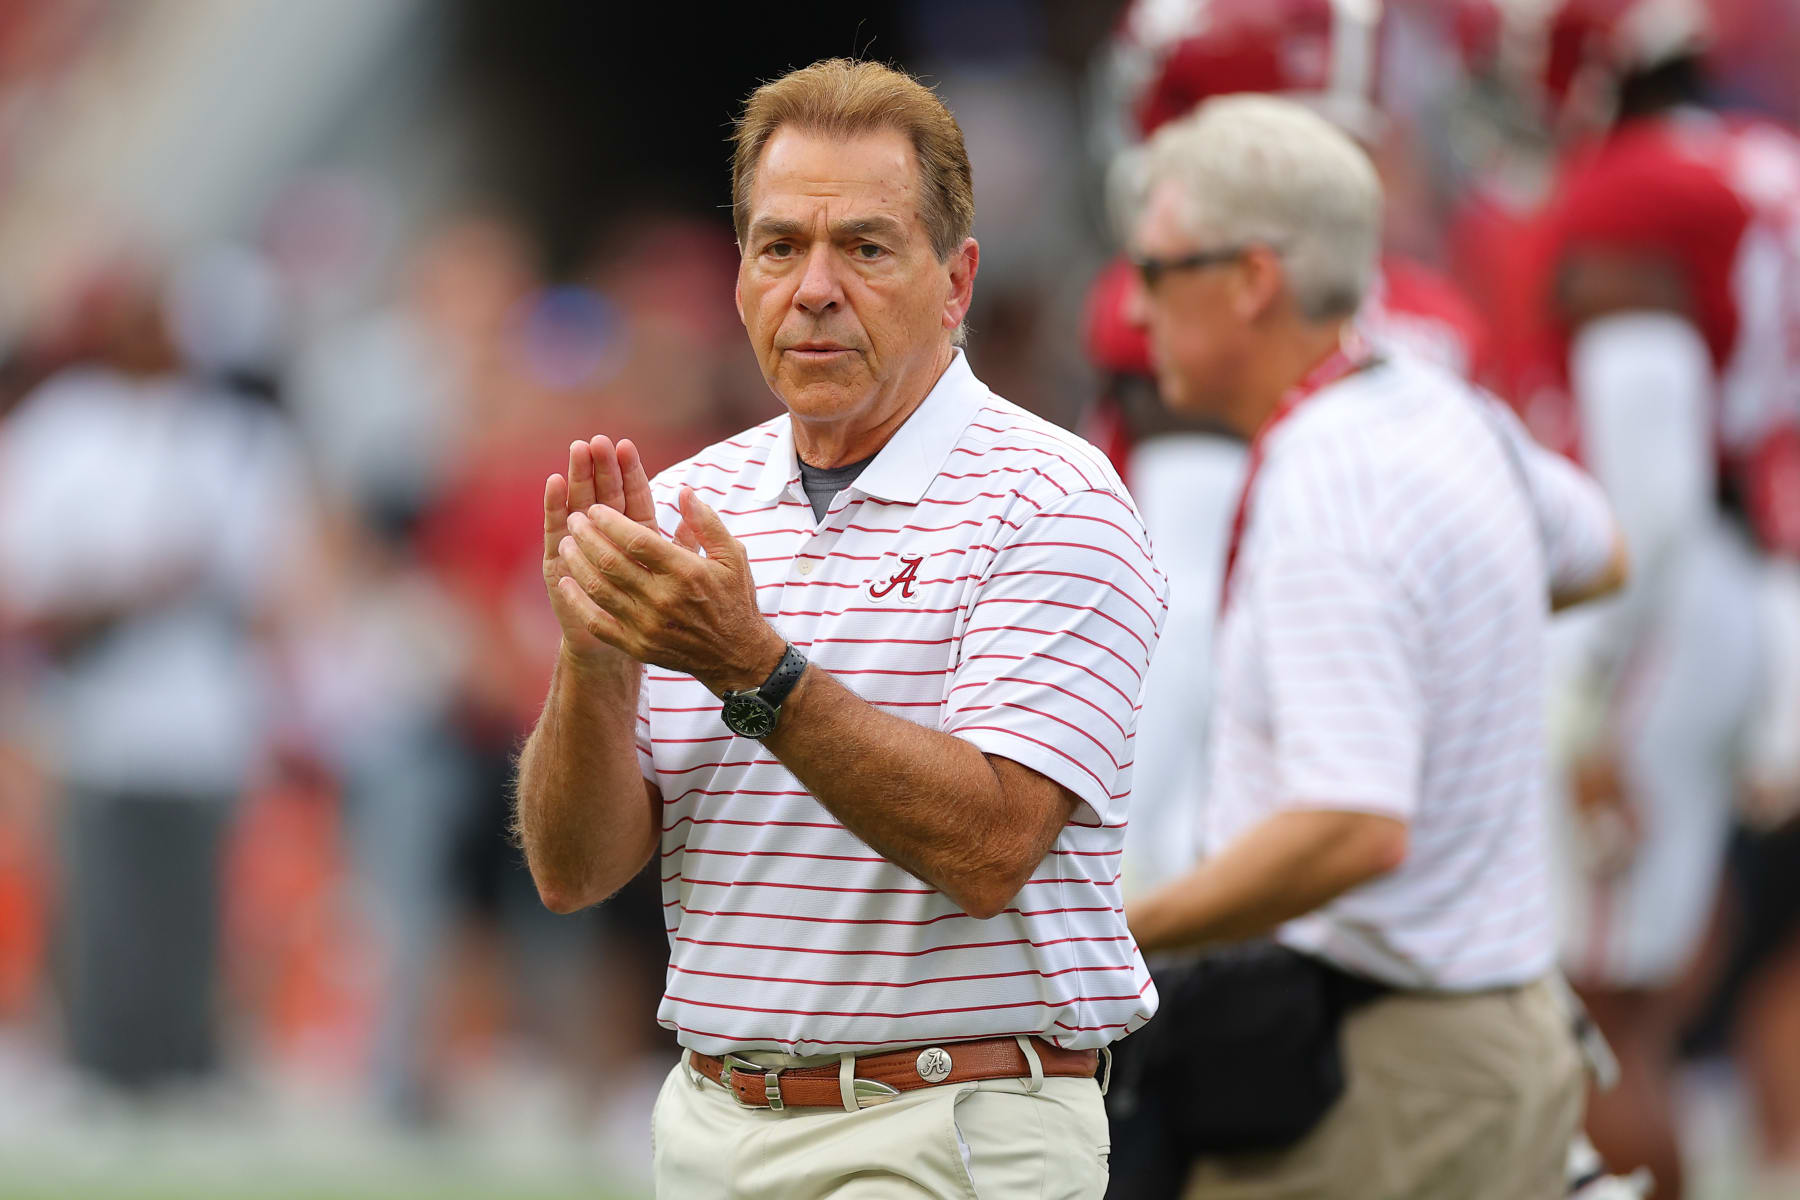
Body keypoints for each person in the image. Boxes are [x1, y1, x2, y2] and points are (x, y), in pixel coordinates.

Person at [512, 58, 1166, 1198]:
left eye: (864, 247)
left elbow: (990, 850)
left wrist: (753, 667)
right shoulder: (684, 505)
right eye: (778, 247)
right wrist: (596, 658)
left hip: (946, 1120)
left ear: (955, 282)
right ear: (739, 275)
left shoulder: (1054, 499)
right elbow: (575, 871)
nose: (813, 288)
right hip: (712, 1120)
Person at [1122, 94, 1627, 1200]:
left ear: (1253, 279)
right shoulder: (1439, 407)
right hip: (1493, 1027)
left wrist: (1114, 936)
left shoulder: (1333, 485)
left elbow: (1352, 828)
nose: (1134, 304)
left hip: (1389, 1076)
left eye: (1157, 270)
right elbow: (1600, 550)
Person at [1458, 3, 1800, 1192]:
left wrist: (1585, 688)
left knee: (1597, 1014)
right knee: (1648, 999)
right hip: (1751, 580)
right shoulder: (1762, 161)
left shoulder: (1631, 193)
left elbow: (1645, 493)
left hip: (1666, 601)